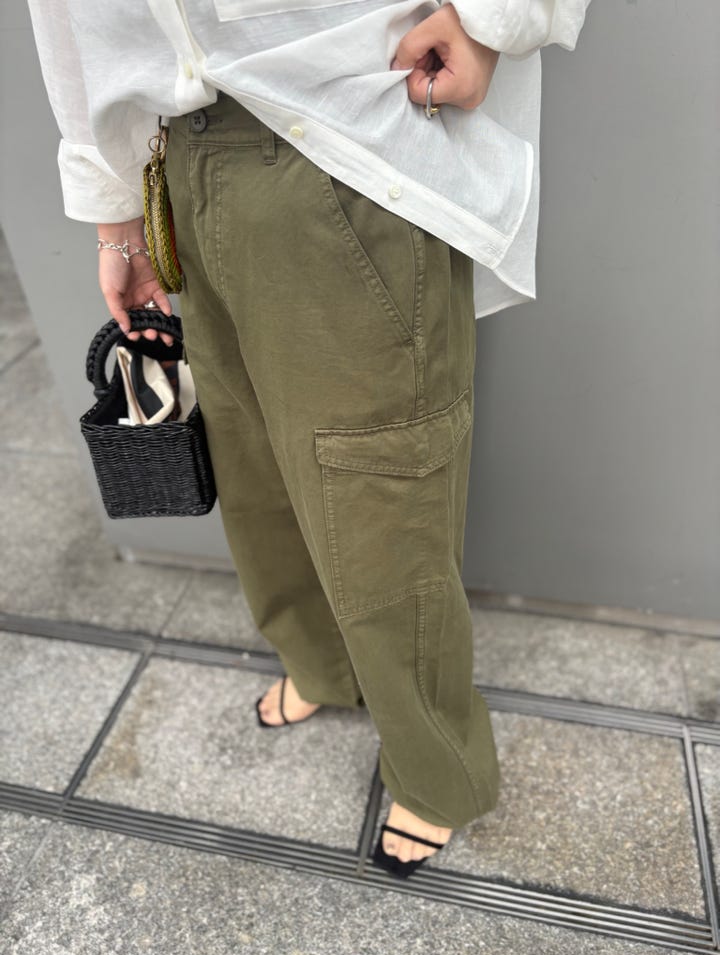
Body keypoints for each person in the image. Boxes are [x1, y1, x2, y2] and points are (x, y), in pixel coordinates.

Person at [28, 0, 591, 877]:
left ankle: (437, 770)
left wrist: (493, 19)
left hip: (339, 140)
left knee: (381, 499)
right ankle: (321, 663)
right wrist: (115, 208)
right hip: (179, 155)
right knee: (255, 468)